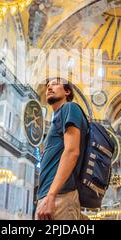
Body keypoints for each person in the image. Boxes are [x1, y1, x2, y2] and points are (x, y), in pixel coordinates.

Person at [35, 77, 88, 220]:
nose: (49, 88)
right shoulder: (57, 117)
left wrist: (51, 195)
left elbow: (72, 151)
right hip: (49, 195)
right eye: (48, 86)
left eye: (55, 84)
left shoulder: (69, 108)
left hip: (60, 195)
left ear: (67, 91)